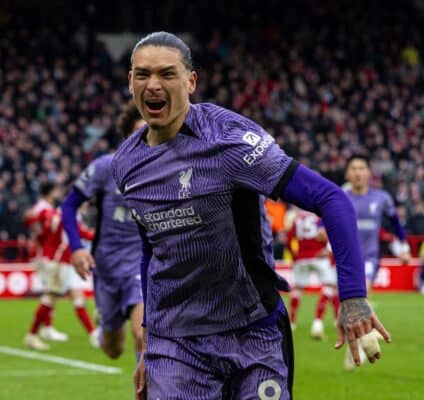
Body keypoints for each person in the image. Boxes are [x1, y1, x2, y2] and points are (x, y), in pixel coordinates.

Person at [111, 32, 391, 400]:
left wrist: (353, 298)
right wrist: (150, 343)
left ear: (191, 81)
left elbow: (331, 199)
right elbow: (153, 249)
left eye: (167, 74)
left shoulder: (229, 139)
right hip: (177, 346)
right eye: (143, 75)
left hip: (253, 332)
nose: (154, 85)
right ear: (130, 81)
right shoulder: (126, 164)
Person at [61, 100, 145, 361]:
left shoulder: (165, 172)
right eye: (139, 134)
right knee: (113, 349)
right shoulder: (105, 168)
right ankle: (105, 324)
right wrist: (76, 249)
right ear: (127, 137)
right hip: (107, 267)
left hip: (143, 266)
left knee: (143, 336)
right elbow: (68, 205)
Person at [23, 182, 98, 350]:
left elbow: (37, 224)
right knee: (50, 298)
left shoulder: (54, 212)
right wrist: (102, 236)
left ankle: (93, 334)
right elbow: (82, 233)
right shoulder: (61, 213)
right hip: (58, 262)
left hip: (63, 262)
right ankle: (32, 335)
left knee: (74, 296)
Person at [345, 154, 411, 292]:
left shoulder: (382, 198)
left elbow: (396, 224)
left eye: (362, 168)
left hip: (370, 257)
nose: (357, 173)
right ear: (347, 173)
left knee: (362, 292)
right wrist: (321, 230)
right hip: (346, 259)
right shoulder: (341, 197)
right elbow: (323, 221)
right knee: (349, 302)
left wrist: (405, 250)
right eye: (353, 168)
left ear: (369, 173)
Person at [286, 207, 338, 339]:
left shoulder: (297, 218)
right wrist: (329, 251)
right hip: (319, 256)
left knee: (297, 289)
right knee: (330, 286)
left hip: (301, 258)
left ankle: (291, 322)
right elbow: (327, 235)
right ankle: (318, 322)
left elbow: (289, 239)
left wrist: (294, 257)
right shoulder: (319, 216)